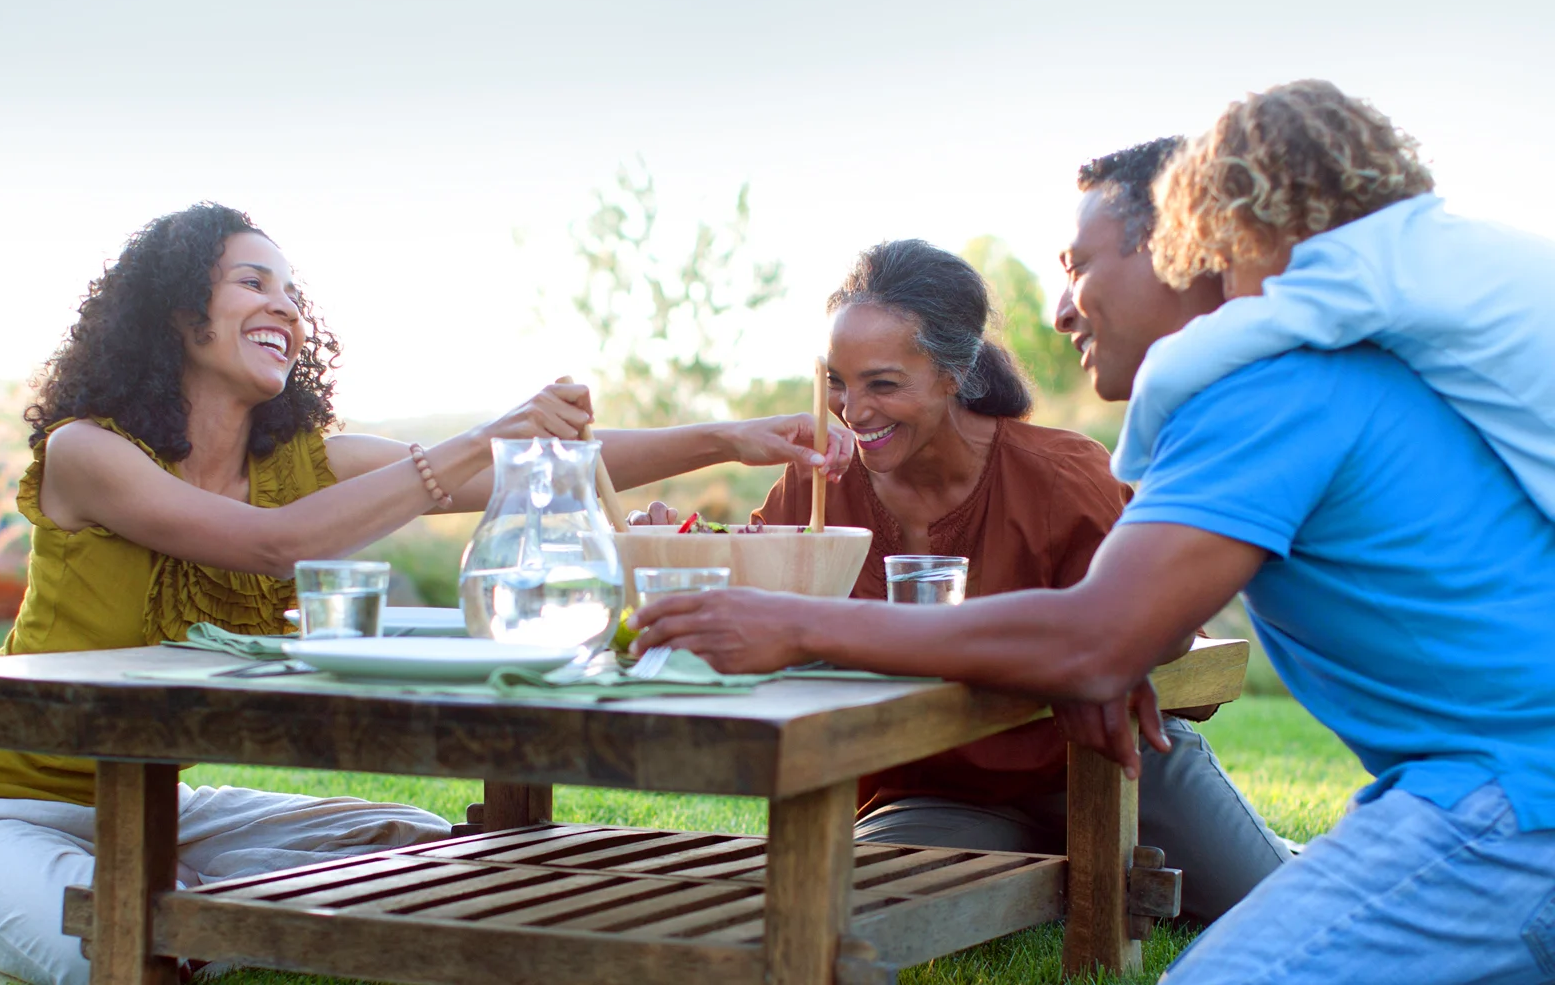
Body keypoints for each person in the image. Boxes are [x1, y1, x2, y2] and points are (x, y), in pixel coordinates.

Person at [632, 86, 1555, 985]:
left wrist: (798, 625)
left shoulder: (1262, 396)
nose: (1061, 309)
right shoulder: (1292, 383)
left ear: (1183, 251)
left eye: (1079, 267)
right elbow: (1110, 635)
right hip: (1482, 796)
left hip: (1514, 807)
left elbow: (1093, 637)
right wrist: (1101, 654)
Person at [0, 203, 852, 985]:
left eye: (293, 292)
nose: (286, 307)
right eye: (252, 283)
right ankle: (169, 916)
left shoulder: (300, 461)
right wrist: (485, 436)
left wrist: (726, 437)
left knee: (428, 852)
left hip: (162, 798)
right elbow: (273, 549)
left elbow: (528, 473)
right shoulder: (88, 451)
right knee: (121, 954)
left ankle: (193, 898)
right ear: (181, 315)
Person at [748, 236, 1289, 922]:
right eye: (836, 381)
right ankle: (1063, 877)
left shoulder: (1063, 477)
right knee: (836, 920)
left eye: (882, 384)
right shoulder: (815, 490)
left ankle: (1266, 857)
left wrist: (1102, 663)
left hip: (1102, 761)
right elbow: (754, 601)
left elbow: (1153, 627)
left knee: (1282, 914)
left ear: (955, 372)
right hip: (935, 787)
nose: (852, 413)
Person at [1114, 79, 1555, 524]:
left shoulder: (1355, 270)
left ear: (1258, 218)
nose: (1227, 290)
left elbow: (1189, 359)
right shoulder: (1438, 242)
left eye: (1227, 258)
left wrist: (1131, 463)